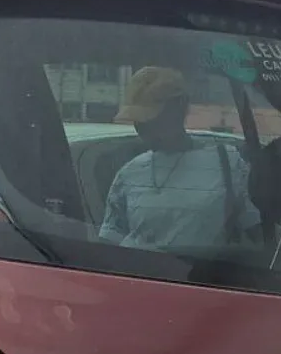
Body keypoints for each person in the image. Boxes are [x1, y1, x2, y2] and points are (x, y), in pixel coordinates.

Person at [98, 65, 260, 251]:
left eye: (151, 119)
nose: (143, 129)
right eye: (138, 121)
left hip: (202, 275)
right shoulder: (129, 174)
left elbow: (257, 231)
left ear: (179, 109)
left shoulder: (227, 163)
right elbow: (109, 242)